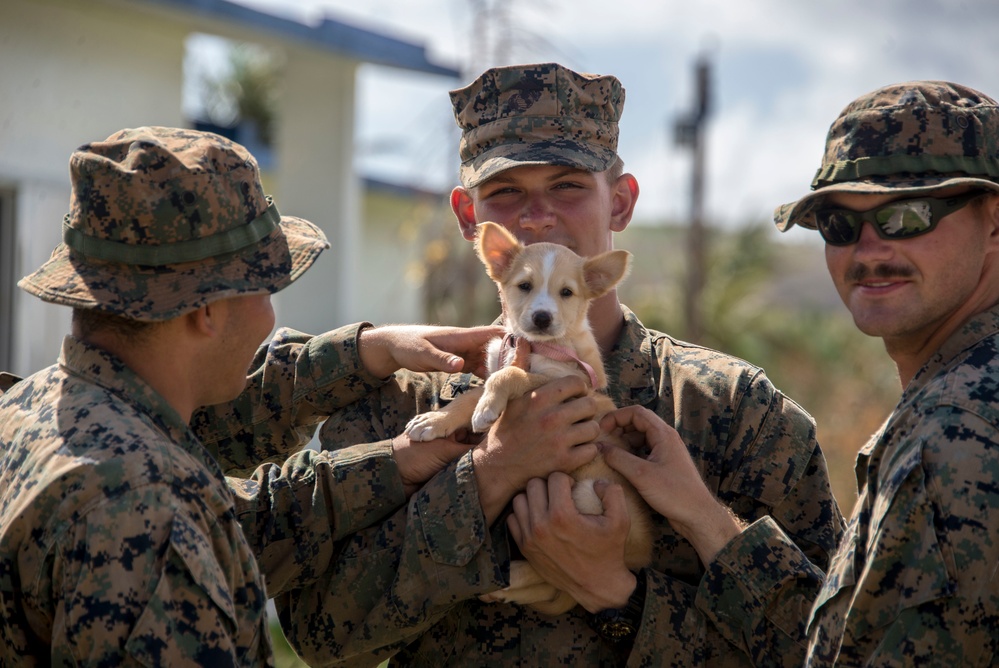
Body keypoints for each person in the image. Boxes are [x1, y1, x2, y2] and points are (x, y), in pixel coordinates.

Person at [277, 62, 846, 666]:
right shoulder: (402, 407)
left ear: (621, 202)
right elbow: (320, 633)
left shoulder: (731, 411)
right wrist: (485, 480)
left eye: (568, 185)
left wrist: (621, 596)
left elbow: (828, 645)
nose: (538, 216)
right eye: (506, 192)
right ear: (471, 220)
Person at [0, 126, 500, 664]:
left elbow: (235, 519)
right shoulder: (147, 514)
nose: (270, 318)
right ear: (206, 311)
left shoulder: (32, 409)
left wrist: (392, 457)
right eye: (265, 290)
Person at [578, 81, 999, 665]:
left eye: (907, 216)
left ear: (995, 221)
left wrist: (614, 593)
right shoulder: (952, 397)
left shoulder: (956, 431)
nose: (869, 250)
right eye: (839, 225)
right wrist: (705, 518)